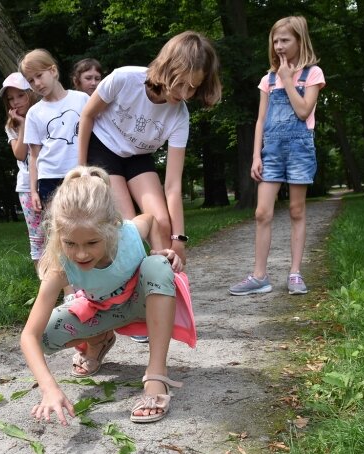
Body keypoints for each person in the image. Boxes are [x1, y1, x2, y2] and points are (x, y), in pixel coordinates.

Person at [20, 165, 186, 425]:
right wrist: (49, 388)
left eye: (92, 243)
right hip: (102, 311)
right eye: (70, 243)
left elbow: (151, 219)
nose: (81, 254)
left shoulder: (128, 234)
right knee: (45, 338)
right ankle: (99, 340)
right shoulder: (61, 266)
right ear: (58, 236)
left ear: (111, 228)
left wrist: (158, 250)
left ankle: (156, 375)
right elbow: (29, 336)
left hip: (140, 303)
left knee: (157, 265)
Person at [78, 31, 222, 266]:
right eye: (181, 83)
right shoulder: (124, 79)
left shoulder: (180, 117)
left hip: (138, 156)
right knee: (129, 226)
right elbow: (87, 115)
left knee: (162, 223)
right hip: (102, 149)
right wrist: (81, 169)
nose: (185, 94)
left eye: (193, 87)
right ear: (167, 67)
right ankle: (134, 289)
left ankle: (165, 288)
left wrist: (179, 241)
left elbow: (173, 186)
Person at [229, 16, 325, 296]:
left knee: (297, 210)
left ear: (299, 41)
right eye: (275, 40)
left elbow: (304, 111)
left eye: (285, 40)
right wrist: (256, 156)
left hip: (299, 150)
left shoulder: (313, 75)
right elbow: (260, 120)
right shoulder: (267, 80)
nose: (279, 45)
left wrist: (287, 79)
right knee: (261, 212)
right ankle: (259, 276)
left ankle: (295, 273)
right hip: (271, 151)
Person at [20, 49, 90, 214]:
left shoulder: (82, 100)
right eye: (31, 80)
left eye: (39, 75)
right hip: (48, 178)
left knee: (86, 223)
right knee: (58, 229)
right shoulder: (34, 113)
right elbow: (34, 156)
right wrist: (34, 190)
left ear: (52, 71)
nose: (36, 83)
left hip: (80, 174)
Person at [0, 72, 44, 269]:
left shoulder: (45, 115)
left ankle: (70, 284)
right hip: (26, 187)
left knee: (59, 234)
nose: (15, 102)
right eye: (10, 98)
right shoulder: (12, 126)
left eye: (20, 95)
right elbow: (19, 154)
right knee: (37, 238)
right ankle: (44, 283)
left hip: (49, 181)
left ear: (31, 93)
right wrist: (23, 125)